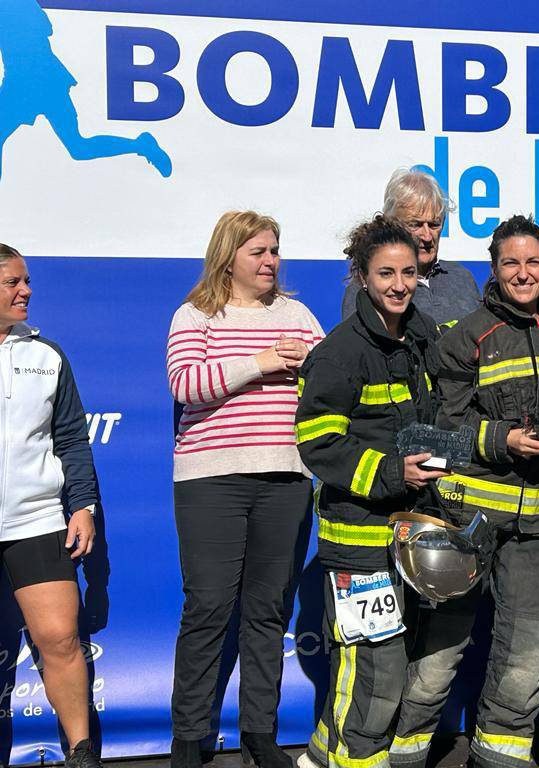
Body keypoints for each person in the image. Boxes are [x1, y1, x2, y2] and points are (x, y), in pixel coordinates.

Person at [390, 215, 539, 768]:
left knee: (524, 650)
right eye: (511, 262)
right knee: (442, 645)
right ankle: (408, 749)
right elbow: (445, 422)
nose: (524, 273)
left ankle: (499, 755)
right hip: (470, 516)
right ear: (494, 268)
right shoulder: (467, 335)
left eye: (534, 262)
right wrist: (502, 440)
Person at [167, 212, 324, 768]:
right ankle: (189, 737)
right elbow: (186, 384)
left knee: (267, 611)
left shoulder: (298, 314)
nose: (270, 261)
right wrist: (261, 362)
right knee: (208, 606)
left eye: (276, 251)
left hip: (284, 476)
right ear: (229, 254)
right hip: (212, 478)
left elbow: (331, 382)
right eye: (258, 251)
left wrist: (310, 365)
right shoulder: (196, 314)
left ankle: (260, 732)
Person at [295, 216, 446, 768]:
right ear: (362, 276)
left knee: (384, 663)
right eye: (386, 273)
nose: (399, 284)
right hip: (357, 537)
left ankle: (320, 756)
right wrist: (392, 474)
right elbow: (317, 443)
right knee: (373, 669)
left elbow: (429, 422)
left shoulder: (424, 335)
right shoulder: (340, 352)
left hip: (409, 532)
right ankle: (356, 760)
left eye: (408, 272)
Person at [0, 244, 102, 768]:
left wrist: (81, 505)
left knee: (60, 638)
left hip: (37, 518)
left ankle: (81, 752)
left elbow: (71, 440)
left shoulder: (47, 355)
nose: (26, 292)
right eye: (13, 283)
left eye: (27, 281)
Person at [0, 0, 171, 179]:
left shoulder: (15, 4)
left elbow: (45, 28)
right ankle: (141, 145)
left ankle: (141, 145)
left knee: (78, 147)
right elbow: (46, 28)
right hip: (40, 81)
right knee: (78, 148)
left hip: (30, 82)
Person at [341, 169, 480, 327]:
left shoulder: (461, 277)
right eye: (415, 225)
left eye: (434, 224)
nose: (427, 236)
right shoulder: (368, 287)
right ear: (392, 223)